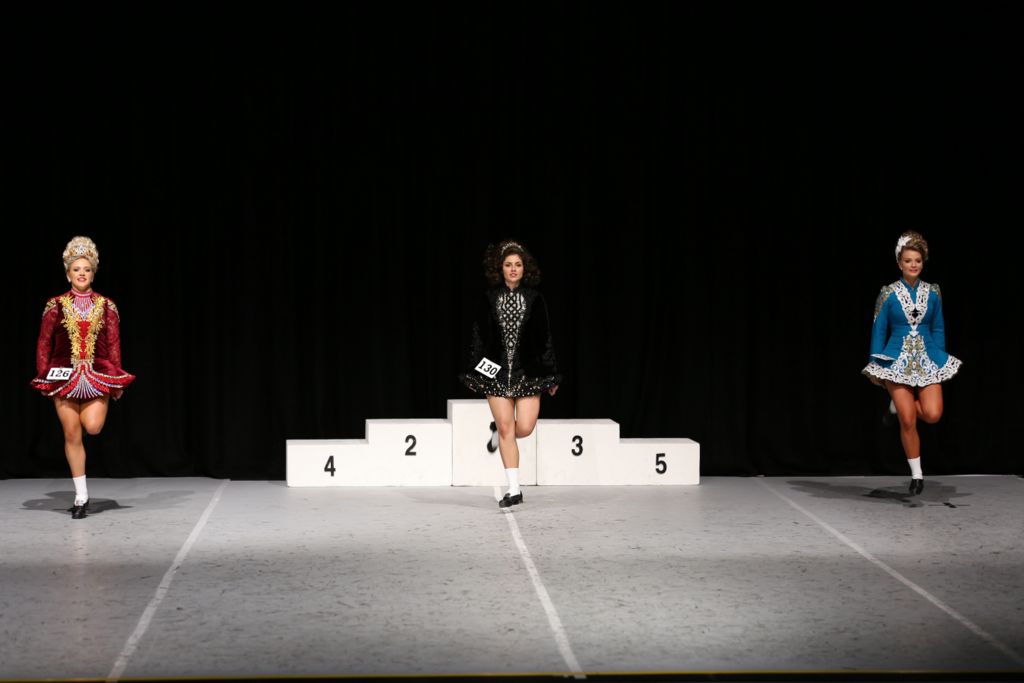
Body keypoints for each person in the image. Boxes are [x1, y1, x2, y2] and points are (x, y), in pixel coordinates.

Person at [31, 236, 135, 519]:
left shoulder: (107, 306)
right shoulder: (55, 305)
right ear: (68, 274)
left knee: (93, 426)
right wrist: (43, 375)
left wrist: (117, 378)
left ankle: (82, 486)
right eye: (76, 269)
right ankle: (81, 496)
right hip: (63, 376)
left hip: (97, 374)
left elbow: (114, 344)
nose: (81, 273)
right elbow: (44, 342)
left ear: (93, 273)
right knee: (71, 432)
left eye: (86, 269)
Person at [460, 240, 561, 508]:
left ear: (525, 268)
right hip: (496, 371)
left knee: (524, 427)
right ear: (500, 268)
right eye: (508, 265)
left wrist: (551, 374)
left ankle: (498, 430)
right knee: (507, 428)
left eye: (518, 265)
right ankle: (514, 489)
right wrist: (475, 371)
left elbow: (545, 337)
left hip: (528, 372)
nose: (513, 269)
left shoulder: (535, 299)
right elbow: (478, 335)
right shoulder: (489, 298)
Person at [862, 231, 961, 495]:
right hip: (895, 360)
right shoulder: (888, 293)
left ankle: (895, 408)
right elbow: (878, 330)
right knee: (908, 420)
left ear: (923, 262)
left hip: (928, 358)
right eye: (908, 260)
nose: (913, 265)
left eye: (917, 260)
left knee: (933, 414)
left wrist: (939, 358)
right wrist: (875, 364)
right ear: (899, 263)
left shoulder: (933, 292)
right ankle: (917, 475)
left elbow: (938, 327)